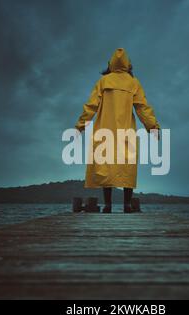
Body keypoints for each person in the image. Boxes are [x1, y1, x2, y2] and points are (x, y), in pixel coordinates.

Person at [75, 48, 160, 213]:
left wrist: (80, 125)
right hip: (127, 130)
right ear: (128, 64)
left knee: (106, 167)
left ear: (111, 63)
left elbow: (91, 106)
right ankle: (127, 205)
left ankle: (108, 205)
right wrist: (153, 126)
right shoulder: (133, 83)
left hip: (104, 129)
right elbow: (143, 107)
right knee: (126, 167)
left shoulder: (103, 81)